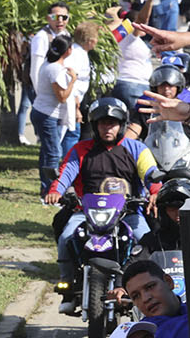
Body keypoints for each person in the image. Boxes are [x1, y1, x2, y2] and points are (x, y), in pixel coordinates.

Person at [45, 99, 161, 309]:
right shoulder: (81, 149)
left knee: (145, 240)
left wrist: (154, 191)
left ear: (122, 124)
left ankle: (146, 290)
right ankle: (68, 288)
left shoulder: (136, 149)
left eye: (113, 123)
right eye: (103, 123)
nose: (108, 128)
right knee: (65, 237)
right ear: (95, 125)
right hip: (86, 213)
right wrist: (55, 191)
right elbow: (65, 174)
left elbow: (150, 173)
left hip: (128, 212)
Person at [32, 34, 77, 193]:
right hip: (47, 114)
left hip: (45, 112)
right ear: (68, 50)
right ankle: (51, 192)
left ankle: (45, 188)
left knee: (47, 151)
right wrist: (73, 80)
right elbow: (62, 97)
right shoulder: (55, 69)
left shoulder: (48, 64)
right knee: (53, 153)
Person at [21, 2, 70, 146]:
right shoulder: (42, 37)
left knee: (59, 131)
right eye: (55, 16)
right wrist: (39, 93)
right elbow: (35, 69)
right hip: (43, 90)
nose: (60, 20)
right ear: (48, 18)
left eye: (64, 17)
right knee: (49, 134)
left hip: (59, 89)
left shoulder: (66, 35)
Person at [60, 21, 99, 159]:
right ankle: (67, 164)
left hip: (74, 101)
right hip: (71, 101)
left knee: (71, 133)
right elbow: (72, 79)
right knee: (71, 133)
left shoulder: (80, 52)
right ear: (90, 40)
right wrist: (76, 108)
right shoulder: (77, 54)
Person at [122, 260, 188, 338]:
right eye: (136, 296)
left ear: (168, 282)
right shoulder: (143, 334)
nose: (145, 299)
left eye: (150, 287)